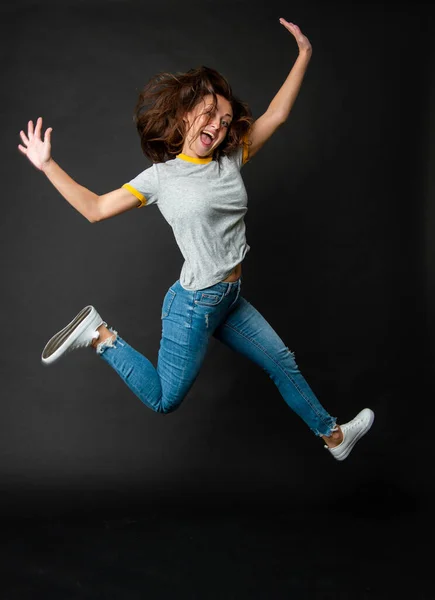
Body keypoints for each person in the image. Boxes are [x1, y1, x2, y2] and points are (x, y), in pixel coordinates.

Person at [18, 18, 374, 461]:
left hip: (229, 296)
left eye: (225, 122)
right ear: (187, 114)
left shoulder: (231, 158)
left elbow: (277, 115)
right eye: (209, 115)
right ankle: (100, 335)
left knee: (282, 361)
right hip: (194, 304)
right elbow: (95, 209)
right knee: (165, 400)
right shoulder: (162, 178)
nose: (218, 126)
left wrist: (304, 55)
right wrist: (47, 165)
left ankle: (333, 437)